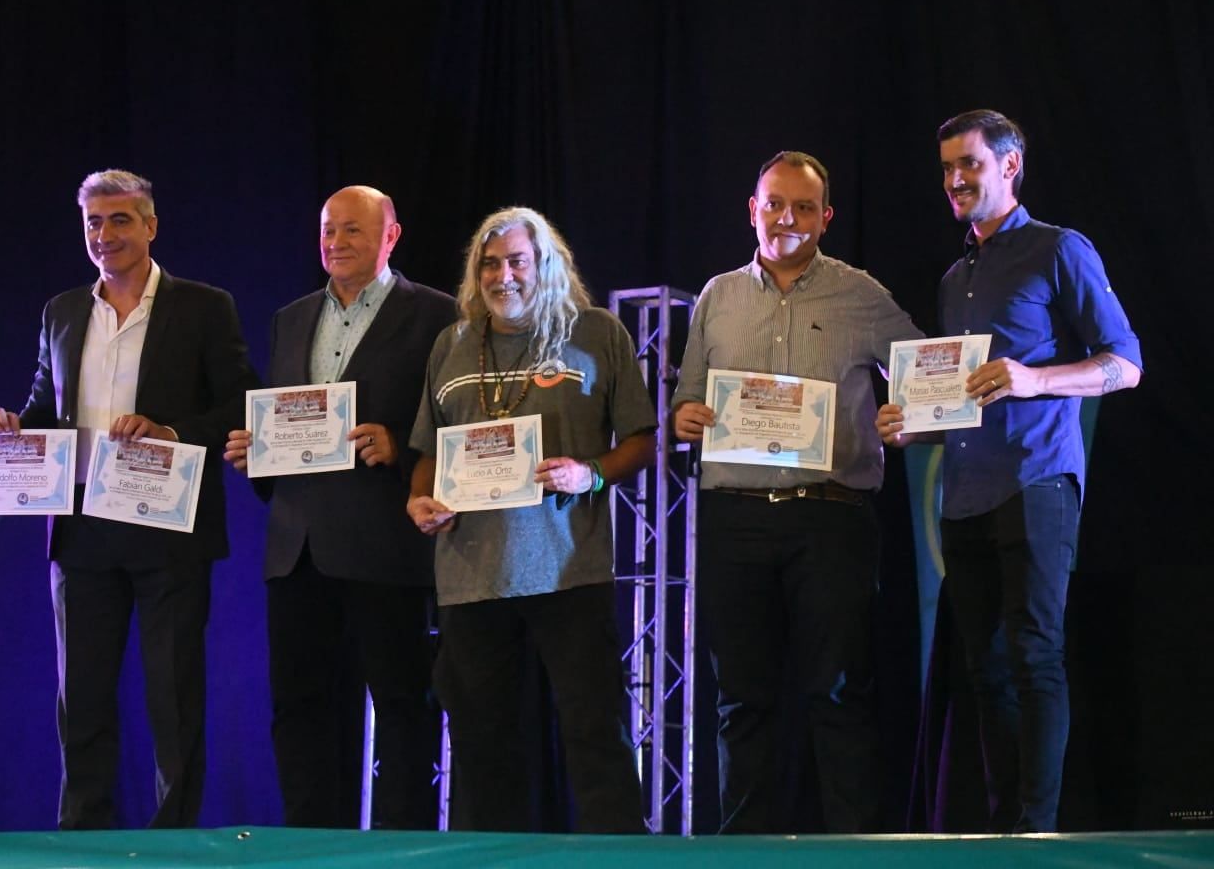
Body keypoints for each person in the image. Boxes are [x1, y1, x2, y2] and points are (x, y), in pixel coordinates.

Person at [877, 110, 1142, 832]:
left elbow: (1125, 364)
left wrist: (1037, 380)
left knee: (1035, 656)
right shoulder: (954, 275)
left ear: (1010, 163)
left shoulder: (1060, 249)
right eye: (947, 169)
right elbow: (958, 397)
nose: (956, 180)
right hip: (963, 495)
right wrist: (909, 423)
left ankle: (1039, 829)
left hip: (1037, 480)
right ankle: (1005, 829)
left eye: (970, 164)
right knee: (984, 668)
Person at [0, 169, 257, 829]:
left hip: (166, 525)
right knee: (81, 699)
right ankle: (83, 836)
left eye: (120, 220)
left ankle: (174, 841)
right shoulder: (62, 311)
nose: (105, 236)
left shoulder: (203, 306)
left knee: (172, 696)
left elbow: (242, 402)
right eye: (93, 224)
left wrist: (171, 432)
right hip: (80, 531)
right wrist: (14, 427)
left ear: (151, 226)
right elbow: (46, 406)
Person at [671, 151, 924, 833]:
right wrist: (684, 417)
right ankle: (742, 851)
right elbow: (687, 399)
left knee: (839, 693)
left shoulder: (861, 294)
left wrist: (913, 415)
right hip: (734, 518)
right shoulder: (717, 296)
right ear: (752, 208)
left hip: (831, 518)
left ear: (826, 218)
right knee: (741, 699)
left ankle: (855, 849)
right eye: (775, 203)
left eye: (804, 207)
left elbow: (927, 375)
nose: (787, 217)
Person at [406, 206, 655, 834]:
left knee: (595, 733)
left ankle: (616, 858)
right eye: (489, 264)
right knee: (483, 745)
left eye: (517, 260)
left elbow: (643, 440)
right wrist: (419, 500)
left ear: (545, 263)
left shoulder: (596, 333)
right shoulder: (452, 343)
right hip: (470, 577)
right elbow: (429, 454)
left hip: (569, 571)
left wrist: (590, 473)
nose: (503, 275)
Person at [223, 185, 455, 828]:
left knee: (403, 705)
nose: (335, 242)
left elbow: (452, 419)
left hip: (385, 543)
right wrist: (256, 451)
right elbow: (285, 419)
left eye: (352, 230)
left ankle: (400, 842)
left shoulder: (437, 315)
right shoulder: (291, 317)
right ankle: (308, 843)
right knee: (298, 708)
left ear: (391, 236)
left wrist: (403, 448)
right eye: (327, 230)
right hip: (297, 546)